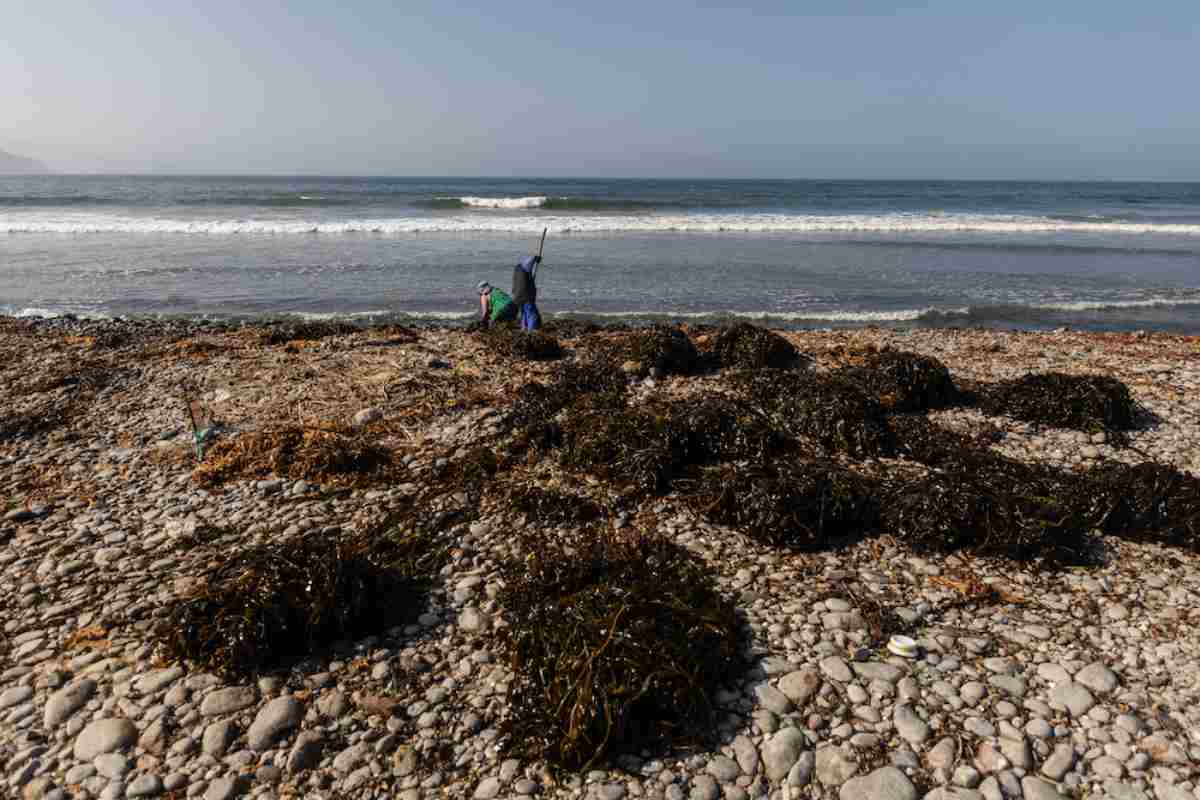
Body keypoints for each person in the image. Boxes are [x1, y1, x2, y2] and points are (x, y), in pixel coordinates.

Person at [511, 255, 542, 331]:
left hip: (518, 297)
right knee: (532, 315)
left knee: (524, 314)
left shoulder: (517, 272)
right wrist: (535, 258)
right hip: (526, 296)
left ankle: (524, 329)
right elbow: (529, 261)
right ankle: (531, 331)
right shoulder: (524, 268)